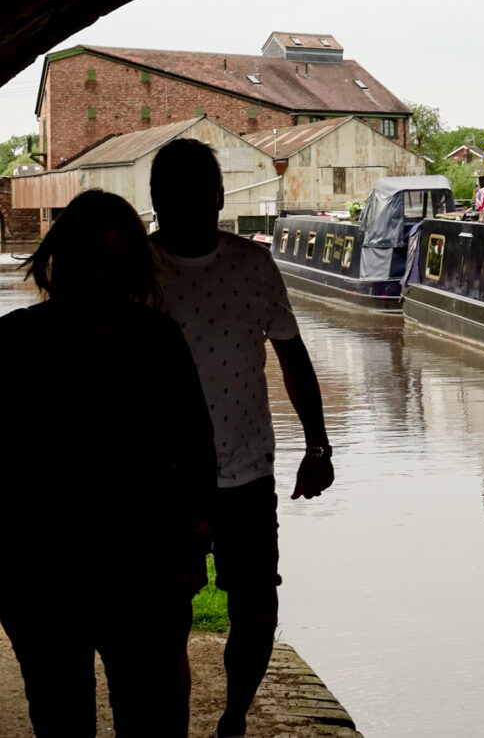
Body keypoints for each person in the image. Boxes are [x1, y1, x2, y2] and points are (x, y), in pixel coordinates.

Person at [0, 189, 216, 737]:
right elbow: (197, 454)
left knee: (76, 715)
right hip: (94, 569)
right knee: (116, 714)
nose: (98, 275)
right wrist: (194, 545)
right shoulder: (153, 340)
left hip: (78, 570)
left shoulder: (22, 338)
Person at [148, 139, 333, 738]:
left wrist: (319, 446)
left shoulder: (254, 267)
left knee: (257, 614)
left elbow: (293, 358)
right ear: (155, 200)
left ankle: (233, 719)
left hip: (247, 474)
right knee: (166, 617)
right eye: (171, 195)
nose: (185, 206)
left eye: (196, 194)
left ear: (219, 197)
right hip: (163, 480)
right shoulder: (139, 274)